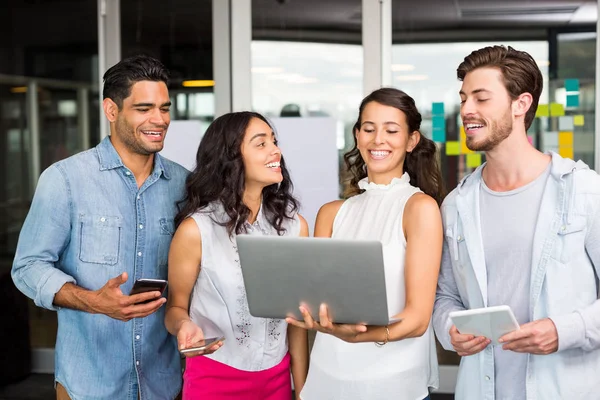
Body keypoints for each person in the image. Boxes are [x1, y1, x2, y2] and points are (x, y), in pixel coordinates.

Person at [11, 55, 188, 400]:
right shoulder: (65, 180)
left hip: (163, 383)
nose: (159, 120)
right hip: (89, 384)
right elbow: (28, 267)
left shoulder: (184, 185)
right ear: (111, 110)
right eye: (144, 108)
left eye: (165, 108)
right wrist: (93, 301)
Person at [433, 45, 600, 399]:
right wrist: (450, 328)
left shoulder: (584, 191)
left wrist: (564, 330)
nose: (466, 110)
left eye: (481, 98)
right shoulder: (456, 204)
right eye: (464, 99)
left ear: (520, 104)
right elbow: (445, 296)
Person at [287, 88, 443, 400]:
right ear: (357, 136)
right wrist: (303, 389)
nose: (377, 140)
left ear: (412, 140)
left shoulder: (420, 209)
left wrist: (359, 337)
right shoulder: (331, 213)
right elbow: (314, 305)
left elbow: (417, 319)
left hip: (393, 386)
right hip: (325, 381)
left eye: (391, 130)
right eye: (368, 129)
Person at [164, 111, 309, 400]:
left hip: (276, 381)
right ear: (230, 157)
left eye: (274, 141)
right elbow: (174, 309)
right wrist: (184, 325)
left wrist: (303, 390)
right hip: (214, 380)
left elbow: (296, 322)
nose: (275, 150)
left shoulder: (295, 227)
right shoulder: (196, 229)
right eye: (261, 143)